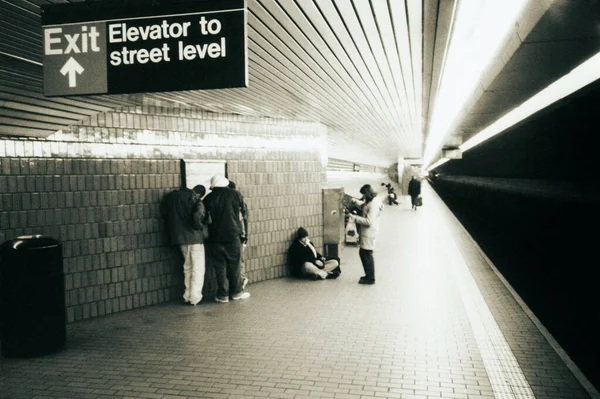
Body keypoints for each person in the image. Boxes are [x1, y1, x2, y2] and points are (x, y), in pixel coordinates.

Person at [203, 175, 250, 303]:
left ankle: (222, 295)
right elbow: (243, 215)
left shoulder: (208, 198)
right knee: (234, 265)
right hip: (233, 236)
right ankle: (236, 292)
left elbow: (204, 219)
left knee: (220, 267)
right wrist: (244, 235)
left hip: (215, 238)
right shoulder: (236, 195)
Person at [162, 184, 207, 306]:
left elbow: (165, 213)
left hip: (179, 238)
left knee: (187, 267)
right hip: (194, 238)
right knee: (198, 268)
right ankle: (195, 297)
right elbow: (198, 215)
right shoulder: (195, 199)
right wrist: (199, 227)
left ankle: (187, 295)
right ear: (199, 194)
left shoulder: (172, 197)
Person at [348, 184, 383, 284]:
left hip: (369, 232)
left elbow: (369, 221)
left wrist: (354, 217)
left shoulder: (373, 204)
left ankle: (370, 278)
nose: (363, 197)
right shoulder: (374, 200)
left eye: (363, 195)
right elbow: (365, 207)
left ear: (367, 193)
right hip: (369, 232)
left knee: (366, 254)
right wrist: (357, 202)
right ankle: (368, 275)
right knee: (364, 253)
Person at [228, 180, 249, 290]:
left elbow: (242, 221)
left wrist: (243, 237)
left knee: (239, 260)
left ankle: (241, 280)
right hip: (241, 235)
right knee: (239, 260)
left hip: (239, 236)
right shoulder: (239, 202)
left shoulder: (236, 204)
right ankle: (240, 281)